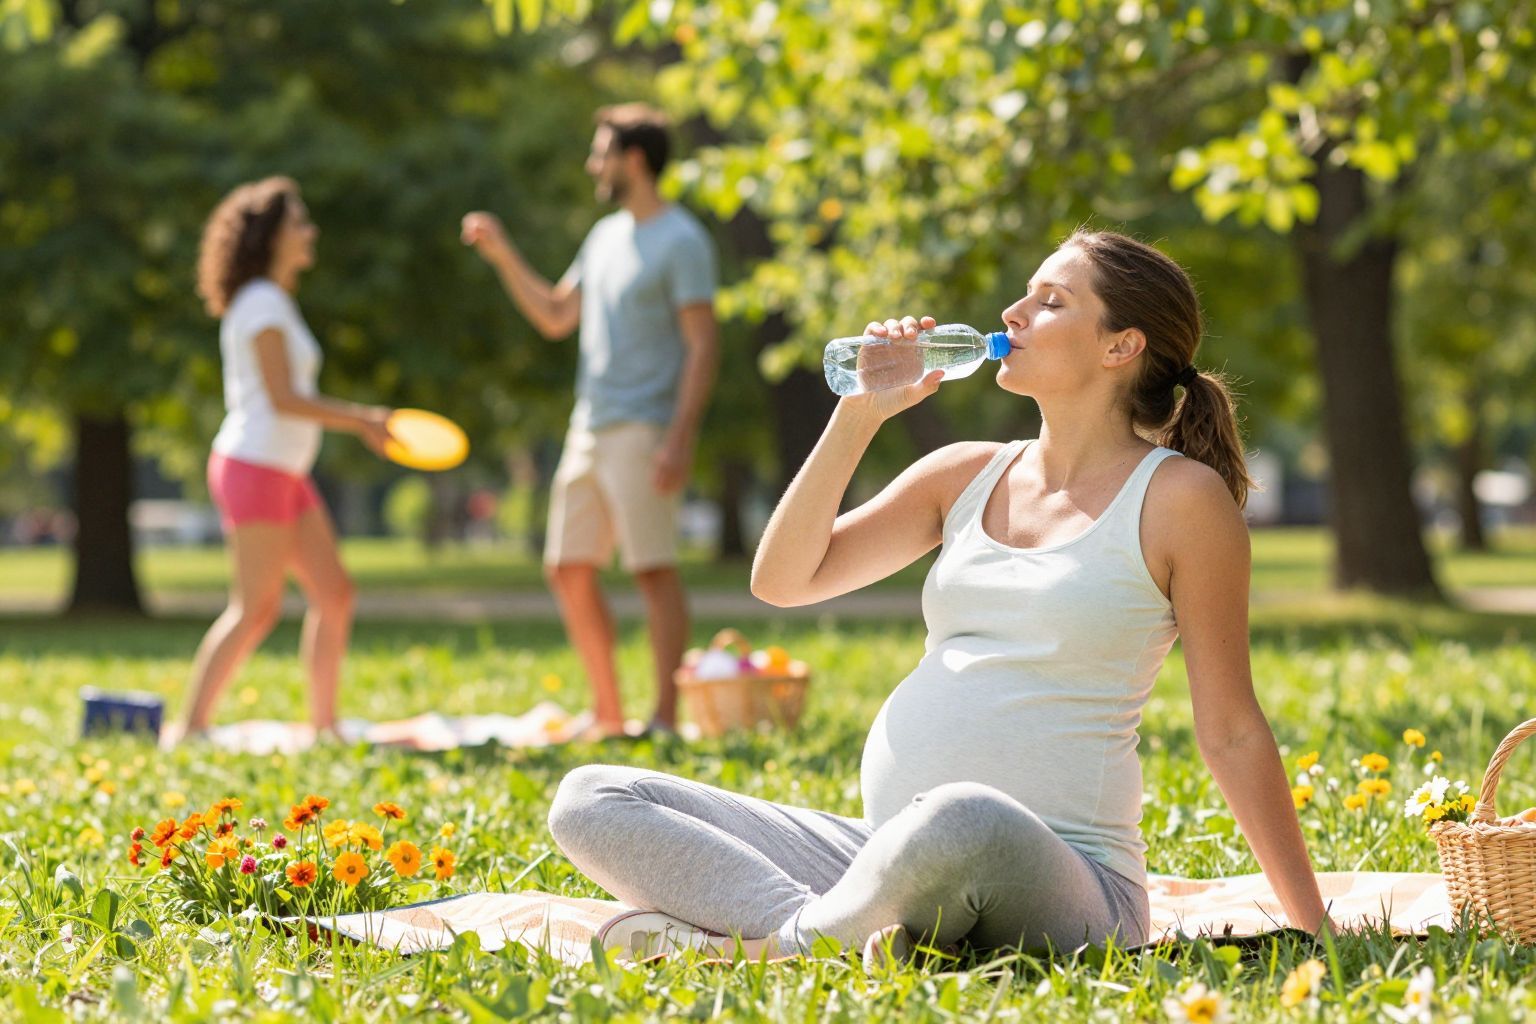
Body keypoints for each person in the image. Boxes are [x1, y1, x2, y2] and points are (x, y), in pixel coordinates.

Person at [544, 231, 1331, 961]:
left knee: (963, 814)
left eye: (1051, 302)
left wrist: (1311, 921)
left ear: (1121, 346)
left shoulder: (1182, 501)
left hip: (1065, 880)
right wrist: (859, 414)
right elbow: (782, 581)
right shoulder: (964, 473)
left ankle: (776, 946)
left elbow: (1230, 729)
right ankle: (818, 930)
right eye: (1024, 294)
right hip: (887, 846)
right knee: (594, 795)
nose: (1013, 313)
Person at [462, 103, 720, 740]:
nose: (591, 164)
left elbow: (703, 346)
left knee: (652, 569)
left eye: (600, 151)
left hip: (645, 428)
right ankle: (607, 712)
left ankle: (662, 716)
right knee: (567, 568)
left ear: (633, 160)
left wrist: (679, 438)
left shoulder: (683, 240)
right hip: (589, 426)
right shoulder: (603, 236)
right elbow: (555, 315)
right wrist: (501, 255)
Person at [171, 176, 393, 745]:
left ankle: (325, 727)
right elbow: (283, 398)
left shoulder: (272, 300)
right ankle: (188, 730)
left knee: (335, 594)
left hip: (281, 471)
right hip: (256, 467)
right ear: (270, 236)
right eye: (299, 222)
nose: (309, 232)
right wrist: (363, 419)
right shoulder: (262, 303)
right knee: (255, 609)